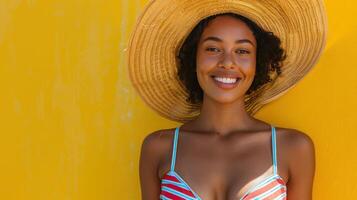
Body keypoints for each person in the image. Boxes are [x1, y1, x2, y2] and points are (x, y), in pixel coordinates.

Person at [127, 1, 327, 199]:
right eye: (213, 49)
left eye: (242, 51)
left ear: (258, 63)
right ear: (193, 58)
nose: (227, 62)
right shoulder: (159, 148)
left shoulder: (293, 148)